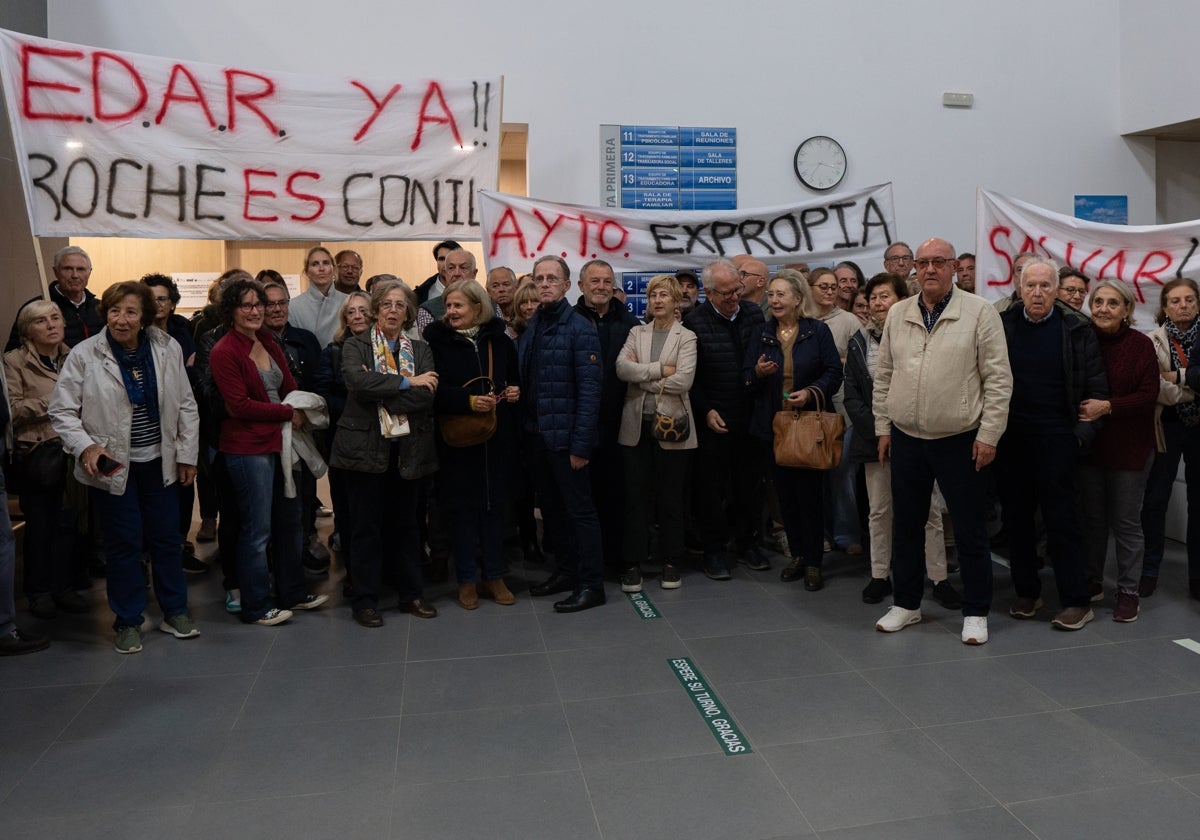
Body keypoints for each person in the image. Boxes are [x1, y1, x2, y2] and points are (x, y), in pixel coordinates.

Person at [873, 238, 1012, 645]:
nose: (930, 269)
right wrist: (883, 427)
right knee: (908, 526)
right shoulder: (898, 312)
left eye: (939, 262)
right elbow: (884, 375)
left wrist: (989, 435)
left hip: (961, 438)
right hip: (906, 437)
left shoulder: (980, 312)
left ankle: (976, 611)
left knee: (969, 528)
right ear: (914, 268)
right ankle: (907, 604)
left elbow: (999, 379)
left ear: (953, 267)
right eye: (923, 263)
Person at [48, 281, 200, 654]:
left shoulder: (167, 347)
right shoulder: (85, 354)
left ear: (144, 316)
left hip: (159, 462)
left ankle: (175, 611)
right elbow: (62, 411)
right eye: (114, 311)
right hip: (113, 466)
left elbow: (186, 406)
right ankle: (128, 620)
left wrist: (186, 455)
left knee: (166, 540)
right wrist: (85, 446)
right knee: (124, 545)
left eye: (131, 311)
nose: (121, 319)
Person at [209, 278, 329, 627]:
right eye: (246, 305)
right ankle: (257, 605)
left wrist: (297, 405)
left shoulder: (267, 340)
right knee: (257, 530)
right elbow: (239, 406)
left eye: (258, 304)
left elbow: (289, 385)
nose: (255, 311)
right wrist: (288, 412)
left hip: (282, 443)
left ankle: (292, 593)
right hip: (248, 449)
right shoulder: (224, 351)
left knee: (289, 523)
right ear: (231, 310)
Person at [996, 258, 1107, 630]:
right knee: (1017, 521)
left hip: (1059, 439)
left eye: (1046, 285)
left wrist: (1079, 437)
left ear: (1057, 290)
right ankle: (1028, 591)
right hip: (1011, 438)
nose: (1038, 293)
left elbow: (1095, 388)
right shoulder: (1002, 324)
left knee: (1063, 522)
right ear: (1020, 288)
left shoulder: (1076, 328)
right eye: (1031, 286)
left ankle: (1076, 600)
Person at [844, 273, 961, 608]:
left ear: (901, 300)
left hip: (918, 437)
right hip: (874, 441)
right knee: (880, 511)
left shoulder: (917, 333)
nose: (879, 304)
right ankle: (880, 575)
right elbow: (853, 395)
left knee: (929, 513)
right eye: (873, 298)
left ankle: (938, 578)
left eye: (885, 296)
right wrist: (880, 431)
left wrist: (900, 431)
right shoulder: (858, 340)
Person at [330, 279, 439, 626]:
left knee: (407, 526)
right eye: (387, 304)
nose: (393, 309)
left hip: (408, 452)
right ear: (376, 310)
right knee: (366, 529)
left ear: (409, 312)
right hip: (364, 452)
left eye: (400, 304)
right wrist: (408, 382)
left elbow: (427, 396)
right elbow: (358, 385)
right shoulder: (356, 346)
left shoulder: (420, 351)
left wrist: (382, 386)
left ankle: (411, 594)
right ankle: (365, 600)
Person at [424, 279, 520, 609]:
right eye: (448, 306)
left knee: (493, 509)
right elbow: (432, 391)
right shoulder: (434, 343)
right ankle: (466, 579)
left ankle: (494, 575)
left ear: (477, 308)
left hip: (495, 439)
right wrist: (467, 402)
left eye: (458, 306)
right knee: (460, 511)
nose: (450, 312)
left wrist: (513, 391)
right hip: (455, 440)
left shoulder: (500, 341)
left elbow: (514, 378)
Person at [744, 271, 842, 590]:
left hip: (810, 425)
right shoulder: (761, 332)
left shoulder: (817, 331)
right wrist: (757, 372)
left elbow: (833, 372)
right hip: (774, 427)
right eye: (771, 295)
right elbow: (745, 375)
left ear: (798, 298)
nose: (774, 300)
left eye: (781, 295)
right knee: (785, 498)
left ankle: (814, 562)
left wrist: (812, 392)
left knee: (810, 497)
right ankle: (798, 556)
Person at [520, 255, 606, 613]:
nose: (544, 284)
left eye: (552, 278)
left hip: (569, 441)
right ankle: (567, 572)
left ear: (568, 286)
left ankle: (592, 584)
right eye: (539, 278)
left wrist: (581, 445)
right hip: (539, 438)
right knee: (553, 513)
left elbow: (590, 392)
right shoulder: (535, 324)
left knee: (580, 514)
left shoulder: (580, 328)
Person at [1078, 280, 1159, 621]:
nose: (1104, 309)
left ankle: (1128, 591)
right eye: (1098, 302)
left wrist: (1107, 406)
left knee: (1125, 522)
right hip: (1090, 447)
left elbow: (1148, 394)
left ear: (1127, 310)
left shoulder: (1140, 345)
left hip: (1130, 448)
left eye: (1113, 303)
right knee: (1093, 521)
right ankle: (1092, 580)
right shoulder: (1081, 339)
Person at [683, 257, 768, 578]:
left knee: (750, 486)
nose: (735, 298)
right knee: (711, 489)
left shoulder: (753, 314)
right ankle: (715, 551)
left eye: (738, 290)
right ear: (708, 293)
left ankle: (748, 543)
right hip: (715, 418)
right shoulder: (694, 323)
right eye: (727, 293)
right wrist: (706, 410)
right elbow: (690, 377)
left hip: (750, 416)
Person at [4, 302, 87, 619]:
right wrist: (57, 399)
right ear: (27, 330)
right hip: (36, 455)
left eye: (56, 318)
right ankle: (38, 593)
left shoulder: (76, 356)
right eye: (41, 320)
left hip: (73, 451)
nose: (52, 325)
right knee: (40, 526)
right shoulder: (13, 362)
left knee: (69, 525)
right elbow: (11, 411)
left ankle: (65, 588)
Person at [614, 274, 698, 591]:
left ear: (677, 301)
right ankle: (633, 563)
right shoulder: (636, 332)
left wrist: (642, 376)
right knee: (635, 498)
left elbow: (685, 381)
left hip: (673, 426)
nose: (657, 300)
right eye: (653, 295)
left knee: (670, 499)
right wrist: (661, 371)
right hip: (636, 426)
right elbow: (622, 369)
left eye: (664, 295)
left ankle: (670, 561)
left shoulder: (687, 337)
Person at [573, 259, 639, 578]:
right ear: (581, 286)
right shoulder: (569, 321)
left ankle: (617, 557)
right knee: (582, 497)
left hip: (619, 420)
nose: (601, 287)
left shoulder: (630, 323)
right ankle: (584, 561)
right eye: (594, 281)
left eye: (607, 281)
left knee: (616, 493)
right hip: (580, 424)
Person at [141, 273, 205, 574]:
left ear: (173, 301)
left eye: (163, 298)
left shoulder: (183, 330)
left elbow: (195, 372)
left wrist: (187, 374)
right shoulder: (137, 335)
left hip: (186, 417)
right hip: (152, 422)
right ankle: (147, 554)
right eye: (151, 298)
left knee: (184, 484)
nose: (158, 304)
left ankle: (178, 546)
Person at [1142, 278, 1200, 600]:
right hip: (1166, 427)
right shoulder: (1153, 341)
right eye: (1175, 301)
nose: (1183, 306)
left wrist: (1178, 377)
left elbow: (1168, 384)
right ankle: (1149, 570)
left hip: (1199, 429)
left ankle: (1197, 576)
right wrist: (1193, 387)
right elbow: (1156, 389)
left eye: (1189, 299)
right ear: (1164, 307)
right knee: (1155, 500)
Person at [808, 266, 865, 555]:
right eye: (823, 286)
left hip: (843, 408)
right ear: (809, 288)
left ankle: (846, 534)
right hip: (808, 410)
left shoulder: (850, 321)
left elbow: (860, 363)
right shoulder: (800, 318)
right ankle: (819, 535)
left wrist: (838, 361)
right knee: (812, 477)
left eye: (833, 287)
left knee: (843, 475)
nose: (829, 291)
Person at [315, 290, 372, 582]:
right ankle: (354, 574)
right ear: (345, 318)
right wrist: (359, 404)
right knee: (348, 510)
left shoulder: (384, 347)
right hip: (344, 440)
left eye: (363, 310)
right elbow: (324, 395)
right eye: (352, 312)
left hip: (380, 441)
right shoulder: (333, 351)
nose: (358, 316)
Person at [6, 245, 104, 352]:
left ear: (89, 272)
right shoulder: (34, 308)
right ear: (55, 271)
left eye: (80, 269)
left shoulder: (101, 308)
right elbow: (14, 356)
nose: (75, 275)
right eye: (68, 269)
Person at [288, 246, 348, 347]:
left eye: (326, 263)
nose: (321, 268)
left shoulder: (347, 301)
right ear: (307, 272)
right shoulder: (293, 306)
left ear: (333, 269)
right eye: (315, 264)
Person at [415, 239, 461, 303]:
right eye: (442, 259)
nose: (446, 263)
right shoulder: (419, 294)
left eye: (450, 259)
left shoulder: (473, 292)